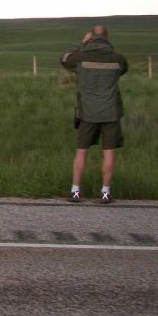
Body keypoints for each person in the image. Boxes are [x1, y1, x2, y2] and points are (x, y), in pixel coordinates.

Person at [60, 24, 129, 204]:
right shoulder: (119, 59)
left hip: (87, 114)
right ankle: (105, 194)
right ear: (108, 37)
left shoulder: (80, 58)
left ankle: (75, 192)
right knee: (108, 153)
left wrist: (80, 45)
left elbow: (64, 58)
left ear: (90, 38)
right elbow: (123, 70)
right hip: (111, 113)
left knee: (81, 152)